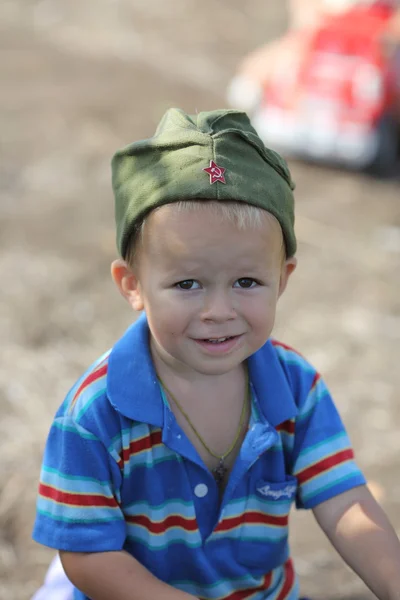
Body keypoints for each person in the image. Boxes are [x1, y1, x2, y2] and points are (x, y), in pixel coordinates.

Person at [32, 108, 400, 600]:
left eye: (246, 282)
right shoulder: (95, 412)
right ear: (133, 285)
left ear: (283, 279)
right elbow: (88, 555)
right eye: (187, 284)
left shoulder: (294, 385)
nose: (218, 310)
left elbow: (343, 498)